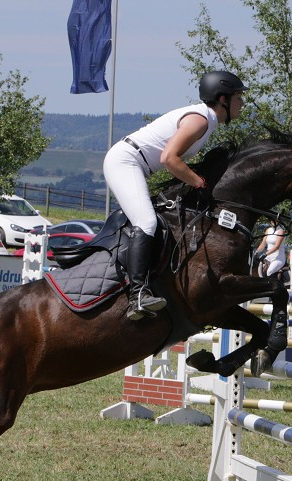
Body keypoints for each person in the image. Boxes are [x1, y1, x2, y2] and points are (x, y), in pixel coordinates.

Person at [103, 70, 246, 320]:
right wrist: (197, 182)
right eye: (238, 97)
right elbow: (169, 158)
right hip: (125, 161)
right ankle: (137, 294)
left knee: (154, 220)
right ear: (223, 98)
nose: (242, 103)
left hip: (133, 163)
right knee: (146, 222)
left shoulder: (206, 120)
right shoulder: (201, 120)